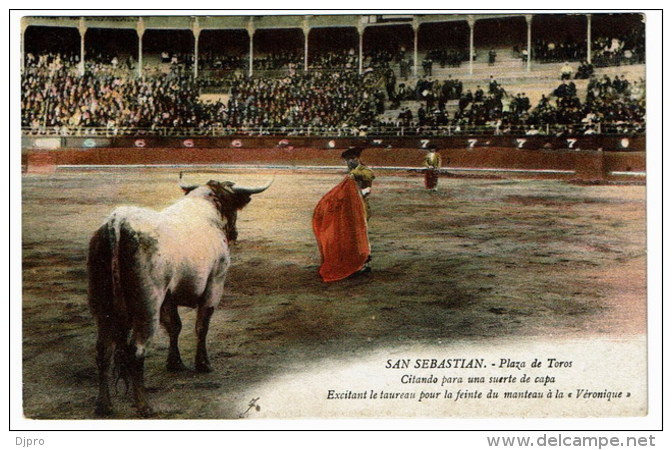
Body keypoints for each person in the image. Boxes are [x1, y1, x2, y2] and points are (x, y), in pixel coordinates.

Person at [312, 147, 375, 282]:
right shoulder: (352, 172)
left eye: (351, 159)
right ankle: (357, 262)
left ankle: (362, 263)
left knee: (360, 234)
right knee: (351, 234)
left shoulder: (365, 171)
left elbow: (367, 185)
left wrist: (355, 180)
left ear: (357, 158)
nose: (349, 162)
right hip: (350, 208)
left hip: (361, 207)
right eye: (347, 160)